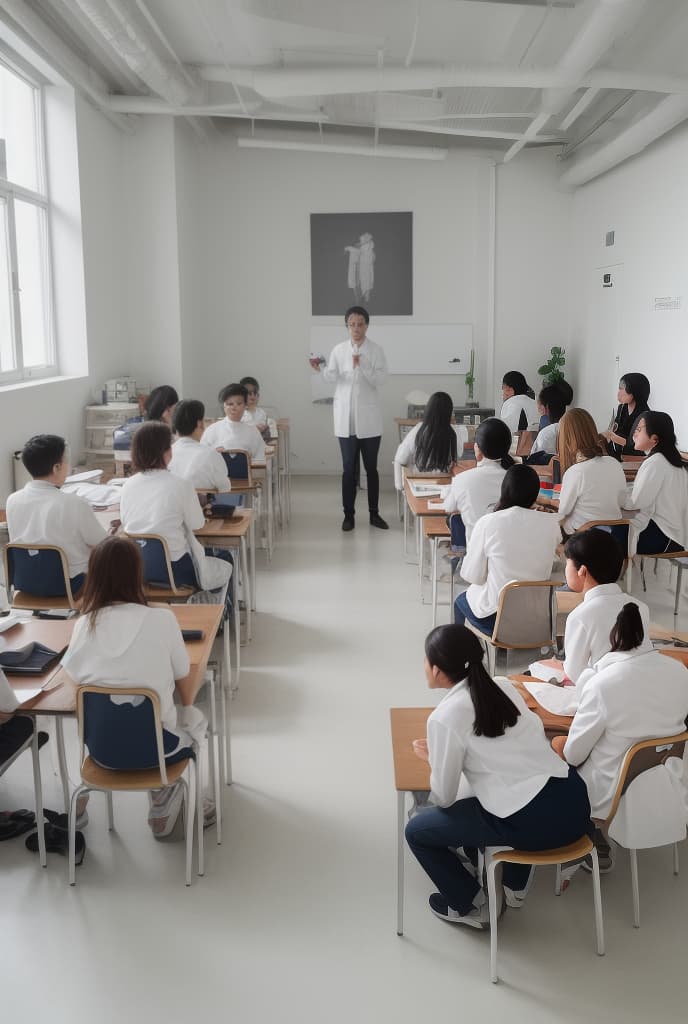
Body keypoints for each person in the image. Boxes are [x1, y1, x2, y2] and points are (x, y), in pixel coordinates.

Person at [405, 625, 592, 927]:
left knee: (417, 831)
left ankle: (470, 905)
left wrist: (436, 760)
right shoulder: (503, 686)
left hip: (533, 824)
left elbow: (444, 795)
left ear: (438, 670)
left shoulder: (444, 717)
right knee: (503, 794)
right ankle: (514, 887)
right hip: (575, 802)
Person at [61, 536, 211, 836]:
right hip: (159, 750)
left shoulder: (83, 624)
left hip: (102, 752)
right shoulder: (162, 619)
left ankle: (83, 801)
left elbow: (72, 686)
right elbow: (184, 677)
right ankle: (179, 798)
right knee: (195, 721)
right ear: (137, 573)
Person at [555, 604, 688, 869]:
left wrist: (557, 743)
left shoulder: (604, 683)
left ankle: (584, 837)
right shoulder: (680, 673)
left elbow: (573, 754)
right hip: (669, 781)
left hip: (611, 790)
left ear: (612, 639)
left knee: (558, 750)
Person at [120, 422, 231, 602]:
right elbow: (197, 524)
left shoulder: (127, 485)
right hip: (176, 571)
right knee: (224, 557)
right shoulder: (181, 485)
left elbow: (126, 524)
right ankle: (218, 620)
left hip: (137, 570)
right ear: (167, 452)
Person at [454, 464, 561, 632]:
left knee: (460, 601)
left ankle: (462, 656)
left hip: (497, 617)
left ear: (504, 490)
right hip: (538, 616)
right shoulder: (552, 524)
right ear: (536, 495)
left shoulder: (489, 522)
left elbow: (472, 576)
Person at [313, 305, 388, 531]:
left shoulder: (376, 350)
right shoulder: (338, 350)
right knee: (348, 469)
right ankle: (349, 515)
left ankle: (374, 514)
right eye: (352, 324)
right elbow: (330, 377)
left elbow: (380, 380)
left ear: (367, 325)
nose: (356, 328)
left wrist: (362, 364)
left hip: (370, 422)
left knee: (371, 469)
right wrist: (320, 369)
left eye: (360, 324)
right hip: (345, 420)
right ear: (347, 326)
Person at [6, 434, 107, 593]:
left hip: (26, 584)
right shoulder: (74, 503)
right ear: (56, 468)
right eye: (66, 461)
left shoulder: (12, 500)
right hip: (71, 585)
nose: (69, 467)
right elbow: (103, 543)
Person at [557, 529, 651, 685]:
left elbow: (574, 675)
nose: (565, 569)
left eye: (567, 563)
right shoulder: (640, 607)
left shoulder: (580, 616)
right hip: (639, 687)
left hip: (602, 694)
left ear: (582, 571)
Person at [619, 411, 688, 555]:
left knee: (605, 533)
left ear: (655, 438)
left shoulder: (655, 462)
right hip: (678, 537)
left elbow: (635, 504)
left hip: (662, 536)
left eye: (639, 429)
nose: (634, 434)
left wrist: (615, 497)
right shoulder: (676, 464)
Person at [441, 418, 514, 547]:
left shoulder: (463, 479)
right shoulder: (515, 479)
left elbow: (448, 507)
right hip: (507, 555)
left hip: (475, 554)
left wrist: (447, 491)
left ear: (478, 449)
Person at [557, 408, 627, 536]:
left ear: (566, 439)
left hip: (585, 543)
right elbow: (623, 502)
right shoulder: (614, 463)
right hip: (616, 542)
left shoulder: (575, 472)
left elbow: (562, 512)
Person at [393, 392, 468, 490]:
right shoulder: (454, 432)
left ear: (428, 409)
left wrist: (401, 486)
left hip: (419, 486)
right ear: (449, 411)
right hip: (446, 488)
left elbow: (399, 459)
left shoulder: (418, 430)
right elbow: (458, 455)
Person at [169, 400, 231, 493]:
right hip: (202, 506)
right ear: (200, 424)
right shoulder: (210, 454)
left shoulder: (165, 454)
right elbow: (225, 488)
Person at [200, 383, 266, 463]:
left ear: (245, 405)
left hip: (246, 475)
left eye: (239, 404)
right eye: (230, 404)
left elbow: (260, 461)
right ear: (224, 406)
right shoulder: (212, 430)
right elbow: (202, 459)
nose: (234, 407)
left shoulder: (253, 432)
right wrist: (213, 454)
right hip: (218, 475)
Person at [603, 372, 650, 459]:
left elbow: (640, 446)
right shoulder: (621, 408)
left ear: (635, 390)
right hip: (616, 453)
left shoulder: (645, 415)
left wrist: (614, 437)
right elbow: (616, 429)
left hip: (632, 457)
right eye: (619, 389)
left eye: (622, 389)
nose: (619, 393)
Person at [525, 385, 566, 465]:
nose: (537, 408)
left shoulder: (546, 431)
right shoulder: (573, 427)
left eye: (539, 404)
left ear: (545, 408)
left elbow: (534, 460)